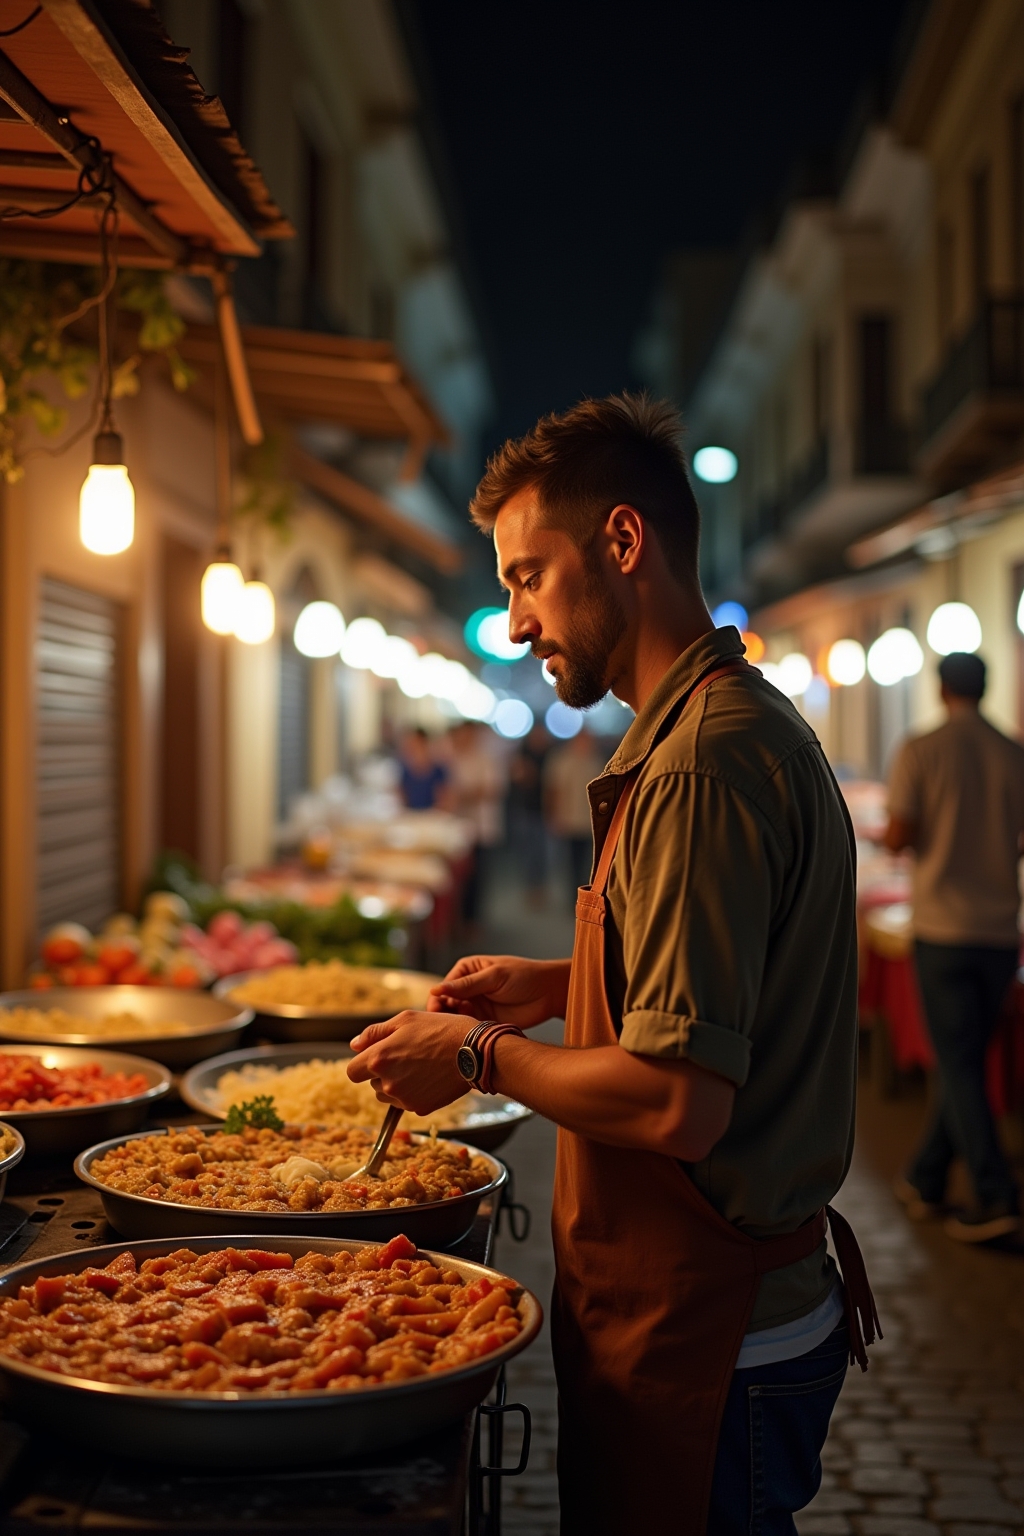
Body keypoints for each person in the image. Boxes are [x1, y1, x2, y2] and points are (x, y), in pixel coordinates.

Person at [347, 394, 875, 1536]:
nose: (515, 619)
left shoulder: (699, 766)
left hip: (710, 1333)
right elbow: (724, 977)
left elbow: (679, 1099)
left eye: (528, 576)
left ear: (622, 544)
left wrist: (480, 1053)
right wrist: (555, 983)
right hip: (698, 1315)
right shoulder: (714, 726)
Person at [883, 650, 1024, 1245]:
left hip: (942, 926)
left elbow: (899, 835)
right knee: (963, 1057)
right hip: (999, 930)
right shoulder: (1014, 753)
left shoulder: (920, 749)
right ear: (985, 688)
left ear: (942, 690)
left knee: (958, 1062)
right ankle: (926, 1177)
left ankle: (994, 1195)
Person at [446, 719, 506, 932]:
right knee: (457, 878)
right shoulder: (451, 757)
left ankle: (473, 920)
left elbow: (489, 791)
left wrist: (459, 796)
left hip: (480, 827)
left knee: (476, 878)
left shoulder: (485, 759)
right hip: (455, 827)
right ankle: (457, 920)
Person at [545, 727, 604, 902]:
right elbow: (554, 790)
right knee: (572, 862)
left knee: (590, 862)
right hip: (570, 820)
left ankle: (587, 895)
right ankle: (574, 896)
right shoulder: (563, 761)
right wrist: (554, 815)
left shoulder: (596, 761)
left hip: (590, 821)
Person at [506, 722, 550, 906]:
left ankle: (539, 888)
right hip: (524, 810)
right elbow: (516, 778)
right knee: (527, 853)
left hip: (544, 811)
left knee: (543, 853)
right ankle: (531, 888)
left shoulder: (550, 755)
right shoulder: (522, 753)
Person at [398, 727, 447, 810]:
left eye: (414, 743)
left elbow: (445, 802)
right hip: (412, 818)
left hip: (433, 817)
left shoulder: (438, 771)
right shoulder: (405, 770)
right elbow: (402, 800)